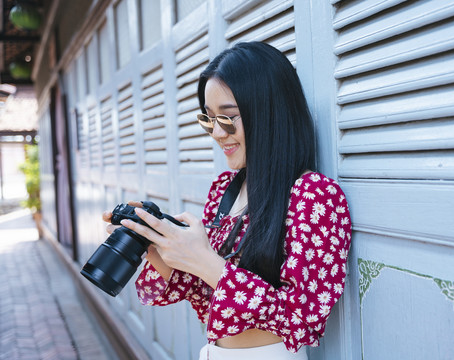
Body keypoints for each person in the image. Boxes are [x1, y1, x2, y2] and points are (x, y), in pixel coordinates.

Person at [103, 41, 352, 360]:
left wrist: (205, 260)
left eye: (229, 118)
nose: (217, 134)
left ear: (269, 113)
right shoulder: (225, 188)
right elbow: (209, 294)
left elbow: (301, 319)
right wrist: (155, 243)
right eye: (209, 119)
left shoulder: (314, 196)